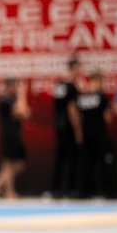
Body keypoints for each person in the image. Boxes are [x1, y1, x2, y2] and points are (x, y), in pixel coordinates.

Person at [0, 78, 31, 199]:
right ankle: (8, 191)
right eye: (14, 86)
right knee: (9, 164)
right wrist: (22, 95)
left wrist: (21, 103)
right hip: (9, 136)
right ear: (8, 86)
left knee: (19, 165)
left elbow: (26, 113)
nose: (16, 88)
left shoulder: (14, 100)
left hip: (17, 135)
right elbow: (20, 112)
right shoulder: (4, 101)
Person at [76, 71, 116, 199]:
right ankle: (107, 191)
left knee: (87, 164)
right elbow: (107, 118)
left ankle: (86, 191)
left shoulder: (82, 98)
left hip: (87, 135)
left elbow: (79, 116)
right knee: (106, 162)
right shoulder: (102, 97)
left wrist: (80, 131)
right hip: (100, 134)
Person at [50, 58, 83, 198]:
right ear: (73, 68)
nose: (81, 71)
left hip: (60, 126)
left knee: (60, 158)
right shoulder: (71, 87)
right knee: (72, 158)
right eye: (79, 68)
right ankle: (71, 189)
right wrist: (78, 130)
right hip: (69, 127)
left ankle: (55, 189)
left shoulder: (59, 86)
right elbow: (71, 109)